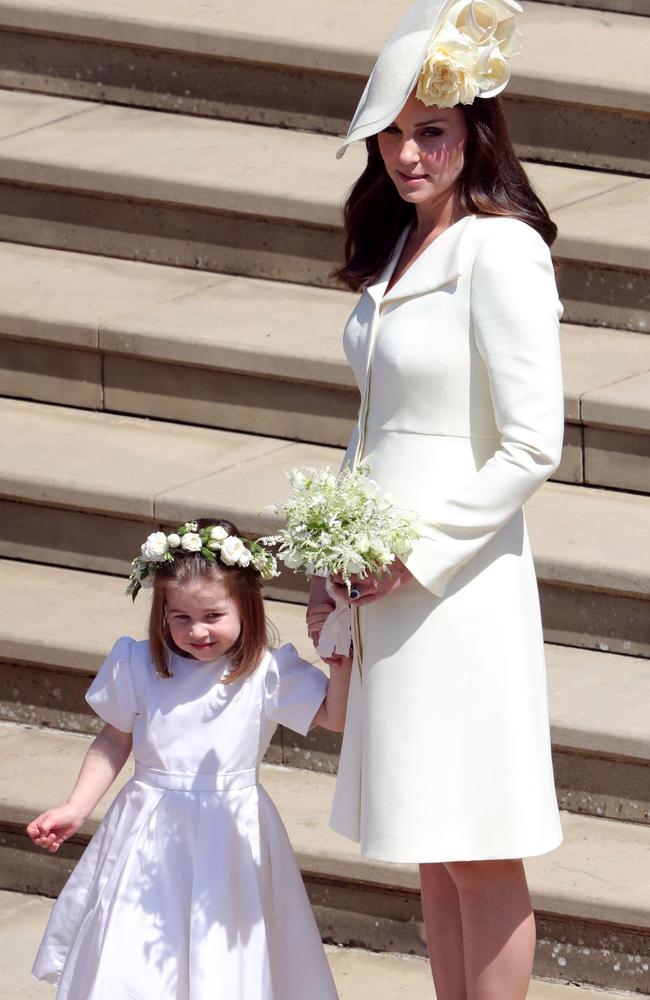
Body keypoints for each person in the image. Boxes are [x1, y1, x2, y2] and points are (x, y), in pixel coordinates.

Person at [307, 1, 565, 998]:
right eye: (393, 132)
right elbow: (371, 425)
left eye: (430, 131)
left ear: (474, 133)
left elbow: (530, 443)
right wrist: (335, 555)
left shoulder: (499, 250)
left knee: (477, 841)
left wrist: (409, 553)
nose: (407, 154)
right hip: (379, 590)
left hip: (454, 591)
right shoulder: (397, 253)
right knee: (429, 836)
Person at [28, 518, 349, 1000]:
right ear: (162, 613)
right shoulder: (138, 664)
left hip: (232, 832)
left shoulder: (266, 671)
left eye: (213, 615)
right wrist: (77, 806)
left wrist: (339, 661)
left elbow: (335, 716)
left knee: (224, 951)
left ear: (247, 606)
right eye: (181, 617)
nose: (197, 631)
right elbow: (116, 740)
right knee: (134, 950)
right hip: (147, 830)